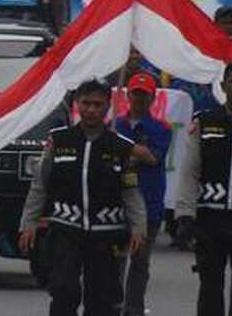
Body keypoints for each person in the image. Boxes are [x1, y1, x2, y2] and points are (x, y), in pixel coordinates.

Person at [19, 79, 146, 316]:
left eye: (98, 104)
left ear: (108, 106)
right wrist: (29, 223)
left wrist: (139, 228)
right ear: (77, 104)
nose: (91, 110)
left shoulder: (122, 147)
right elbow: (40, 185)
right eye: (86, 103)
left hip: (106, 235)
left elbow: (131, 192)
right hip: (66, 231)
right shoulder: (58, 140)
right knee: (63, 290)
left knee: (100, 299)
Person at [175, 60, 232, 315]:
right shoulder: (204, 122)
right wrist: (184, 214)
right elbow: (190, 171)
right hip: (209, 221)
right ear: (224, 86)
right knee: (210, 289)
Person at [112, 72, 172, 316]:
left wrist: (120, 143)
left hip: (148, 204)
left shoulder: (161, 128)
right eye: (135, 93)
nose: (139, 99)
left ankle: (134, 308)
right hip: (117, 203)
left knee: (139, 261)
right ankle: (113, 305)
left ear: (153, 97)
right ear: (127, 94)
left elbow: (152, 157)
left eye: (144, 95)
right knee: (115, 260)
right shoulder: (116, 124)